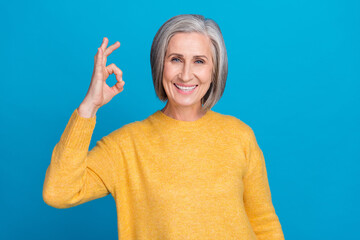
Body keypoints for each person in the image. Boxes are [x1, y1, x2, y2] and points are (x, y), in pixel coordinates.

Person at [43, 14, 285, 240]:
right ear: (161, 65)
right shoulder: (126, 145)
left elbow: (263, 222)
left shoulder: (239, 135)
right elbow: (59, 192)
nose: (186, 74)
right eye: (176, 59)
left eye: (199, 61)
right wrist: (89, 107)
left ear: (214, 70)